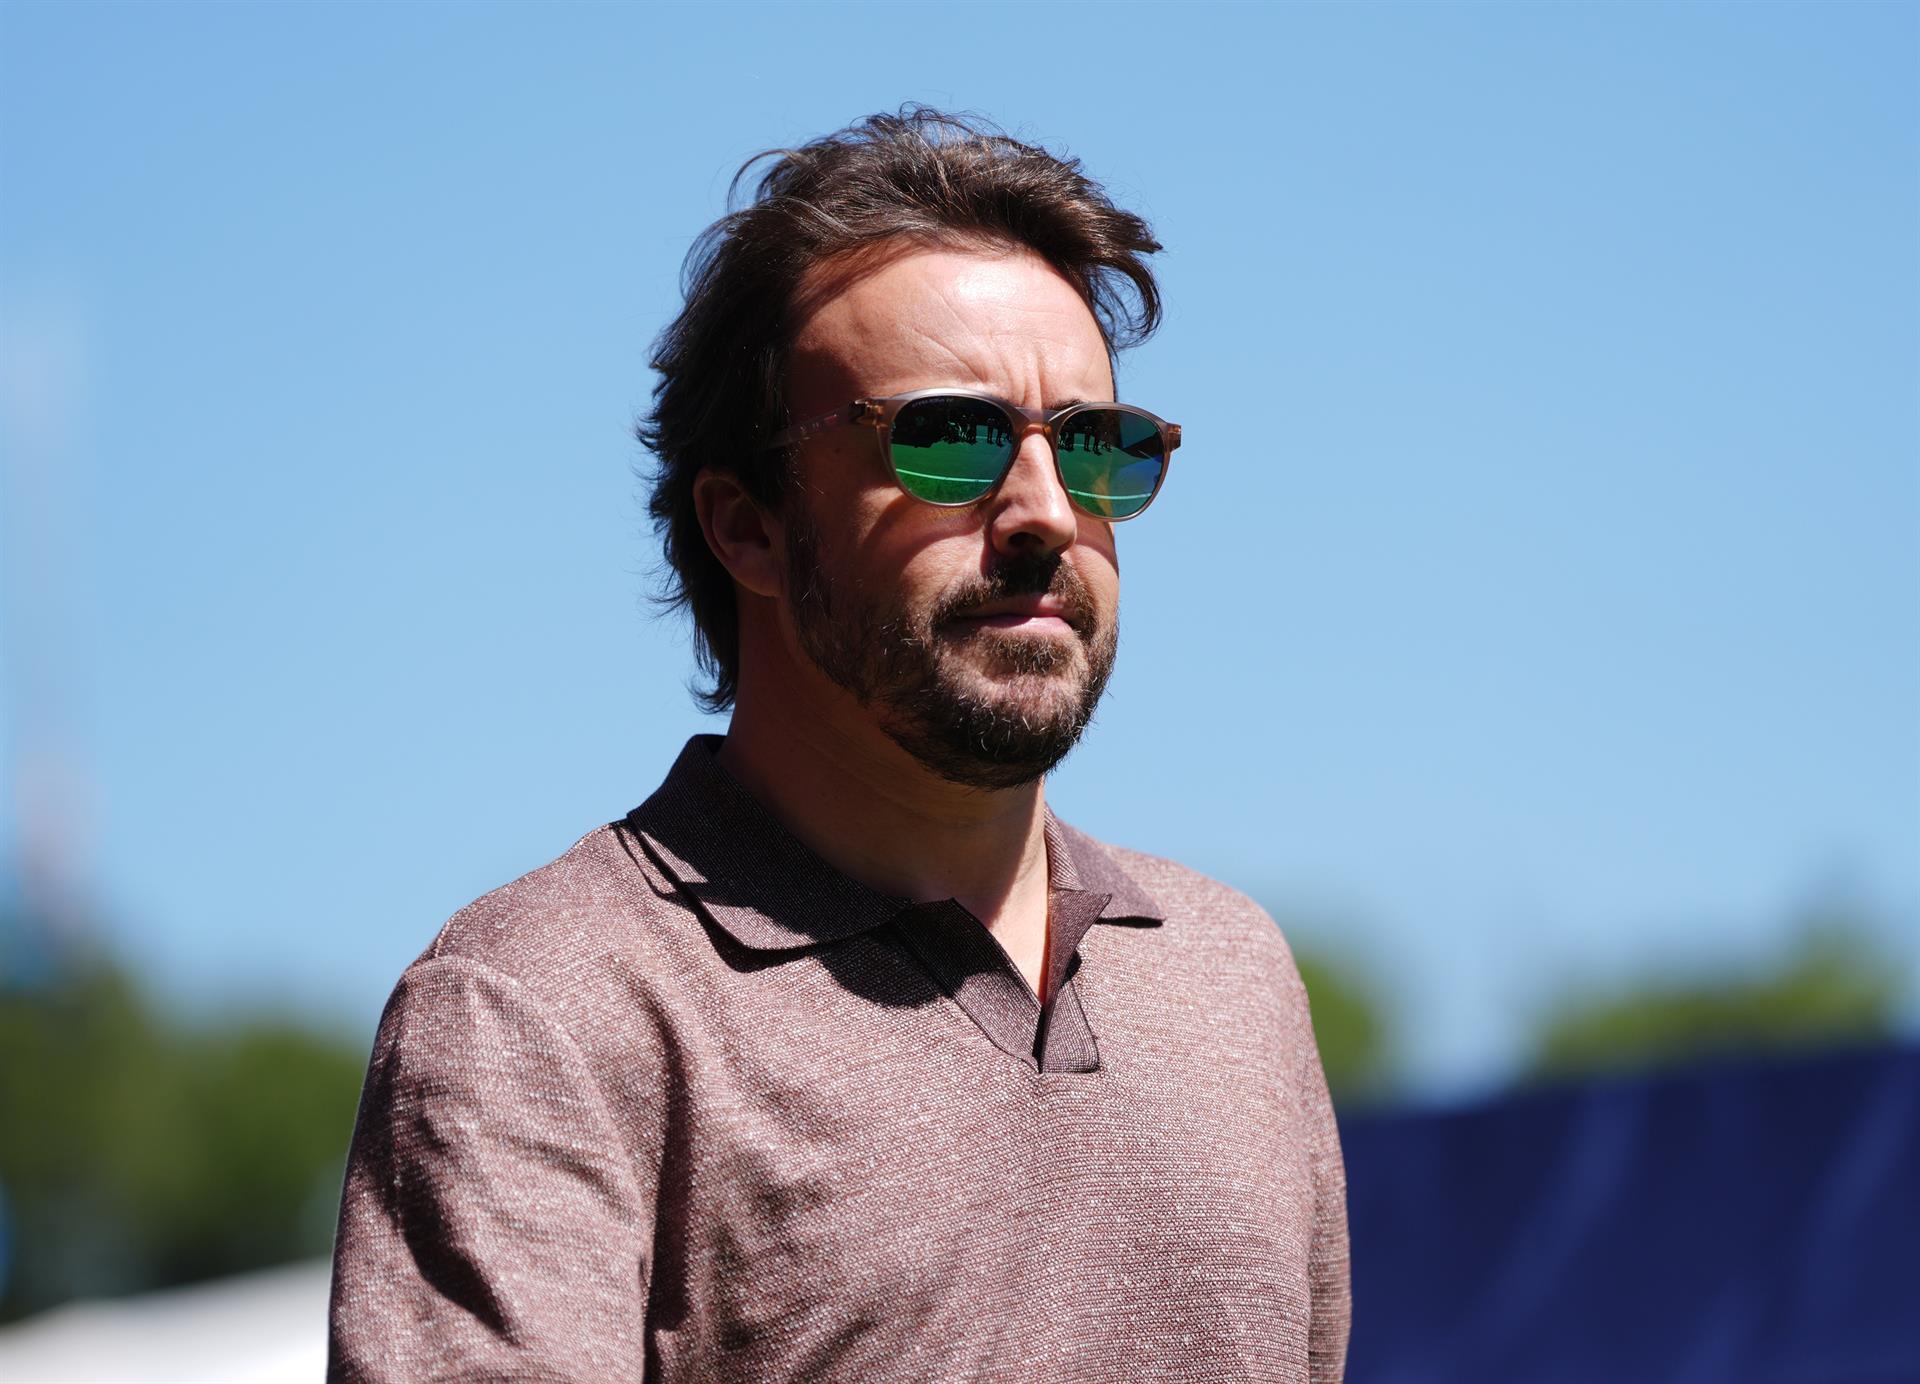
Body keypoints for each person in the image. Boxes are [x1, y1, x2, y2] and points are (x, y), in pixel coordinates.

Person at [328, 108, 1351, 1383]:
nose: (1045, 511)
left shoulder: (1232, 980)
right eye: (950, 439)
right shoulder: (542, 1013)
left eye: (1099, 448)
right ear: (747, 525)